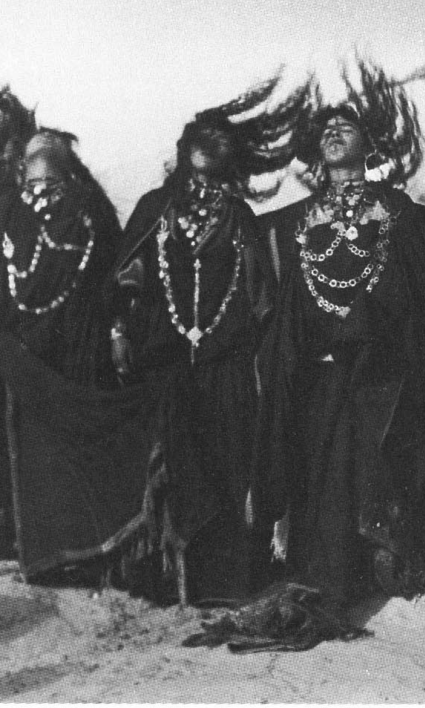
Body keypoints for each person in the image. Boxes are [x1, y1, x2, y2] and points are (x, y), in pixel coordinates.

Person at [255, 103, 425, 610]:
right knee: (322, 465)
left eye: (346, 128)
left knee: (374, 459)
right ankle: (325, 567)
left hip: (380, 366)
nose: (335, 134)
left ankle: (379, 565)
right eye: (327, 131)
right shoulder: (302, 216)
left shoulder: (393, 209)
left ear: (369, 145)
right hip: (320, 365)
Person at [109, 112, 276, 604]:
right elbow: (124, 279)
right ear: (183, 147)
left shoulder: (239, 217)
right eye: (203, 136)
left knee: (226, 461)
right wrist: (120, 332)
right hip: (164, 355)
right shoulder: (156, 207)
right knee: (170, 461)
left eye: (222, 139)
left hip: (227, 358)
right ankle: (163, 579)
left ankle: (222, 583)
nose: (211, 145)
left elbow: (260, 293)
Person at [0, 129, 124, 575]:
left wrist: (114, 330)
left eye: (49, 147)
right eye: (32, 150)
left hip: (76, 343)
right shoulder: (8, 208)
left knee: (69, 445)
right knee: (26, 445)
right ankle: (30, 547)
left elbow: (108, 275)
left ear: (65, 161)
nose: (39, 151)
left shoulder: (88, 208)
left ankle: (83, 546)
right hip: (23, 345)